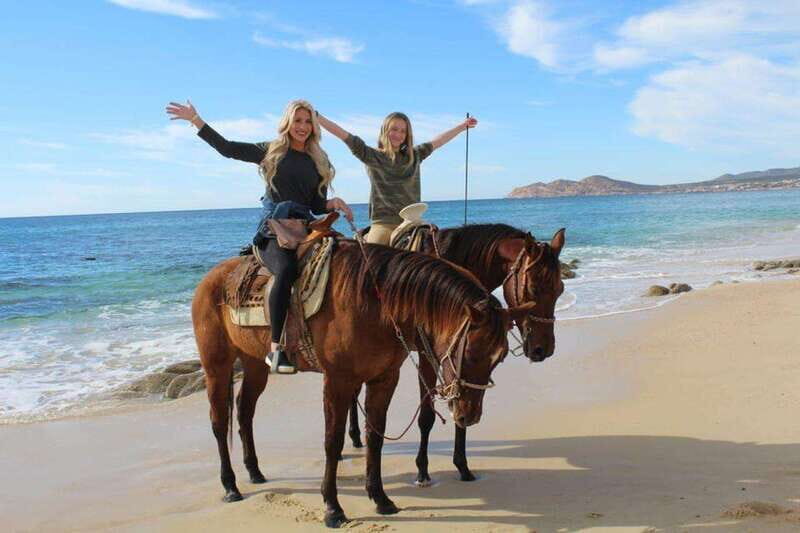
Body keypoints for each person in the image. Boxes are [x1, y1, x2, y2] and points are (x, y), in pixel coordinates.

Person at [166, 99, 353, 374]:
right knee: (286, 270)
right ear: (288, 123)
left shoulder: (318, 159)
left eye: (307, 122)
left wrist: (333, 202)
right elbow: (228, 149)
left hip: (305, 227)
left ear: (314, 126)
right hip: (274, 230)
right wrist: (197, 120)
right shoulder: (271, 150)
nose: (302, 127)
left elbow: (315, 204)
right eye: (297, 121)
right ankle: (276, 350)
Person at [316, 112, 477, 244]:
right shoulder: (372, 156)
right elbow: (345, 136)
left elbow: (439, 141)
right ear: (385, 130)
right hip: (384, 223)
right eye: (394, 129)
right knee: (373, 261)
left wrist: (463, 126)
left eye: (403, 131)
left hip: (413, 222)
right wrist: (317, 117)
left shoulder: (415, 155)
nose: (398, 134)